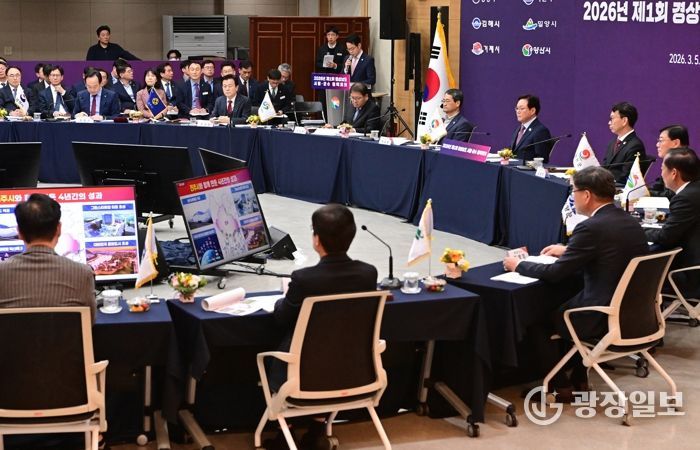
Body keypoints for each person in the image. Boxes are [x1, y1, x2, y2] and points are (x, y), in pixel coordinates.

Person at [503, 166, 648, 397]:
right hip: (636, 312)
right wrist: (569, 250)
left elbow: (556, 273)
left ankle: (560, 386)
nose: (572, 196)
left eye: (574, 191)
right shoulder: (629, 221)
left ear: (587, 195)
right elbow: (609, 251)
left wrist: (518, 265)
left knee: (536, 320)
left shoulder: (590, 227)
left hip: (600, 315)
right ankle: (579, 378)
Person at [270, 204, 377, 448]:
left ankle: (285, 433)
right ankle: (318, 428)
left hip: (304, 374)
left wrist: (283, 299)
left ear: (316, 240)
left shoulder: (304, 279)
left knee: (289, 351)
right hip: (354, 369)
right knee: (332, 347)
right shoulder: (368, 274)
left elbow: (282, 317)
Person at [0, 194, 96, 322]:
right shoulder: (83, 273)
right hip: (63, 336)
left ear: (19, 232)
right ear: (58, 229)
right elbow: (89, 321)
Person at [645, 148, 700, 297]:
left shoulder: (686, 198)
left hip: (691, 275)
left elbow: (666, 237)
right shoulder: (694, 190)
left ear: (674, 173)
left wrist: (638, 231)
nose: (661, 173)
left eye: (663, 168)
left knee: (637, 273)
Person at [602, 101, 646, 185]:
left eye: (612, 118)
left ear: (624, 121)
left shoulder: (635, 146)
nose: (609, 122)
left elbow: (626, 177)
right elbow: (604, 168)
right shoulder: (612, 143)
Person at [649, 125, 689, 198]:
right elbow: (658, 186)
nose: (657, 145)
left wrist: (645, 193)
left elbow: (671, 195)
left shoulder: (685, 162)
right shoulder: (671, 160)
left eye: (661, 141)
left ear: (676, 143)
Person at [510, 94, 552, 162]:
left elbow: (542, 159)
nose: (518, 111)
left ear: (532, 110)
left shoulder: (541, 131)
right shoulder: (519, 129)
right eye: (517, 108)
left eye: (522, 108)